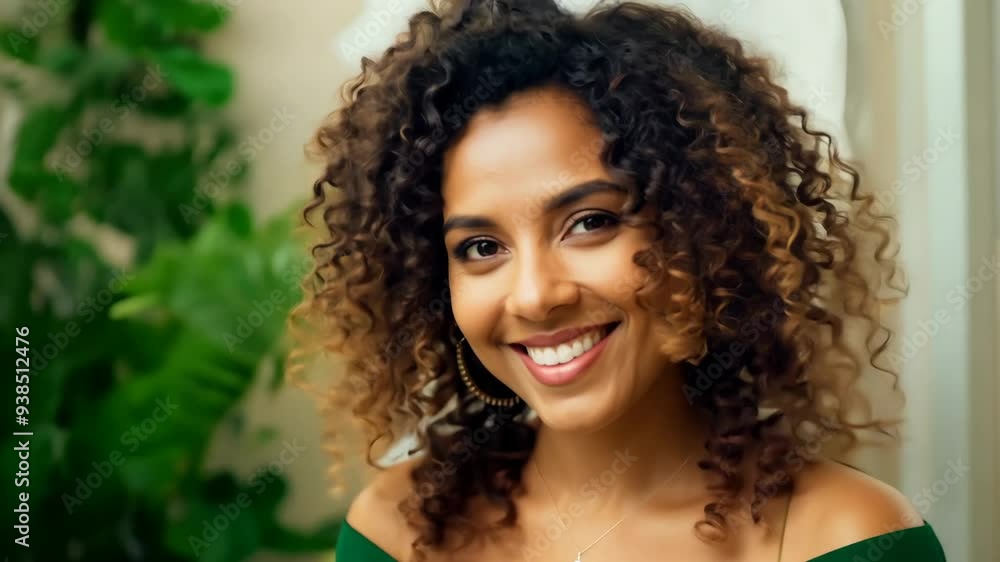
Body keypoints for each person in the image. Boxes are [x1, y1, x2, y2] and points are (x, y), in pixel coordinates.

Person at [289, 1, 949, 560]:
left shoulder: (846, 538)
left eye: (590, 222)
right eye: (482, 247)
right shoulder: (396, 532)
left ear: (702, 231)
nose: (535, 294)